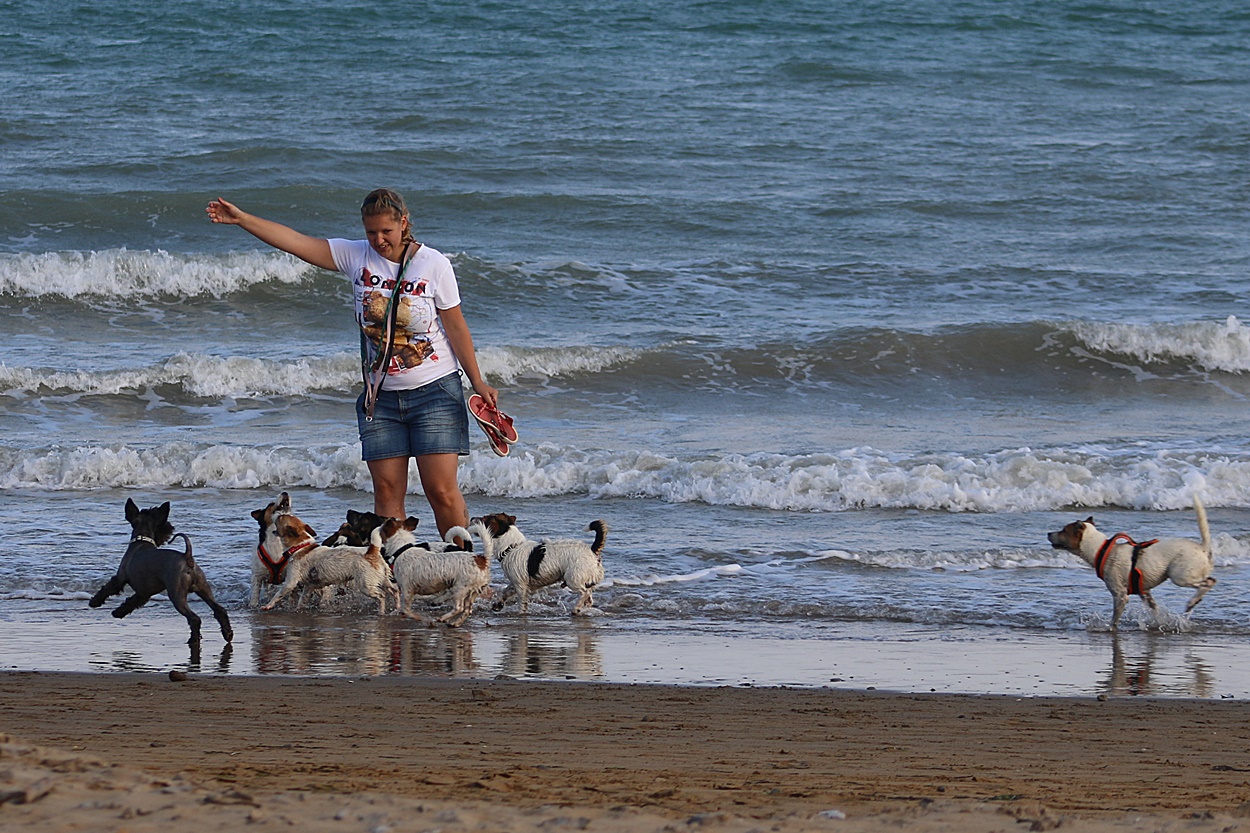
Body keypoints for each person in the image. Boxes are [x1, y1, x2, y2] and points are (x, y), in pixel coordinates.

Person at [206, 189, 498, 538]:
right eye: (370, 232)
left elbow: (456, 326)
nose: (378, 240)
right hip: (381, 398)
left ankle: (463, 572)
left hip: (434, 391)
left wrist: (478, 382)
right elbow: (295, 242)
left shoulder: (432, 264)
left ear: (403, 224)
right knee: (387, 494)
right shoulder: (355, 256)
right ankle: (394, 576)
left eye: (386, 232)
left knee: (441, 492)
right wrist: (242, 220)